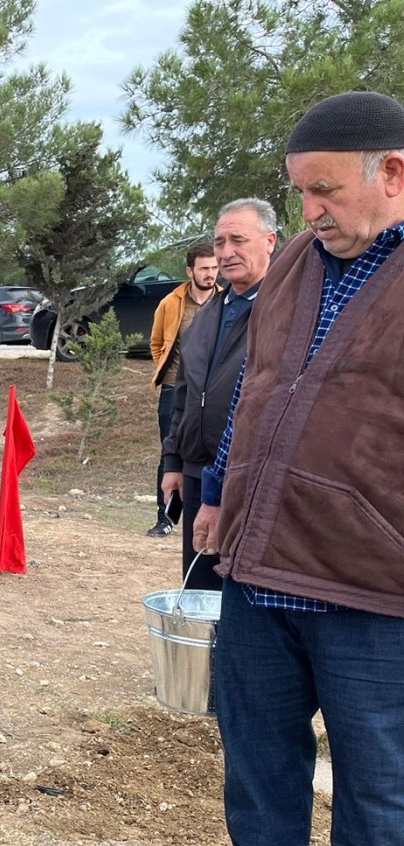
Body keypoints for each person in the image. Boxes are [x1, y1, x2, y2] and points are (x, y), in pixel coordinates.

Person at [194, 91, 404, 846]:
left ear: (393, 173)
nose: (310, 211)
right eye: (300, 193)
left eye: (324, 191)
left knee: (376, 754)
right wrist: (215, 494)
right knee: (257, 730)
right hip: (258, 548)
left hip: (369, 569)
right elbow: (257, 393)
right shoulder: (291, 270)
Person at [160, 200, 276, 591]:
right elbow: (184, 395)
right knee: (199, 592)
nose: (226, 252)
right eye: (219, 241)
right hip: (197, 473)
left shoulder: (284, 311)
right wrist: (173, 461)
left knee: (243, 595)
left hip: (252, 479)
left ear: (270, 241)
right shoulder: (207, 315)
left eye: (238, 240)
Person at [145, 243, 218, 536]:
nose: (211, 274)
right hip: (175, 389)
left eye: (214, 268)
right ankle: (165, 518)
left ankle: (206, 514)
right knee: (170, 452)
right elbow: (156, 343)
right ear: (190, 271)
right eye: (204, 268)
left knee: (212, 453)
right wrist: (169, 372)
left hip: (212, 393)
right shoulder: (171, 303)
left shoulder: (226, 302)